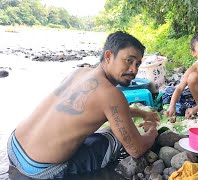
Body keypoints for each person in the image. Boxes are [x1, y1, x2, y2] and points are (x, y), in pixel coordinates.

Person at [7, 31, 160, 179]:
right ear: (108, 56)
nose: (134, 70)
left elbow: (109, 109)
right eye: (129, 60)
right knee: (113, 137)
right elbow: (135, 149)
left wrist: (142, 114)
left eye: (138, 64)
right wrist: (152, 131)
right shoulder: (111, 94)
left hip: (14, 145)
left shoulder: (79, 72)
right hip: (39, 169)